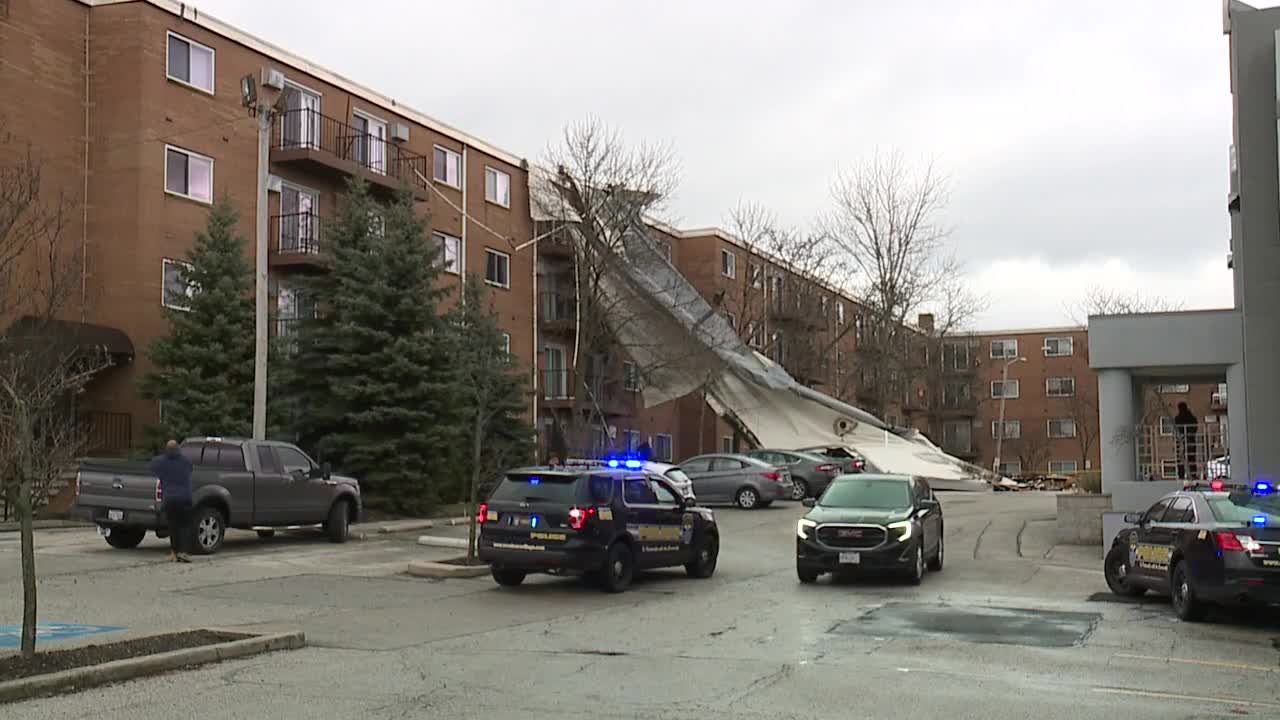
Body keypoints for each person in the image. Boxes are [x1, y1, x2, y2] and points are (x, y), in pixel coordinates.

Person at [150, 439, 194, 562]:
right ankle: (184, 552)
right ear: (178, 449)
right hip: (185, 498)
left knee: (173, 527)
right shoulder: (185, 461)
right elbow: (191, 468)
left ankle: (174, 553)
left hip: (170, 499)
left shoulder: (161, 462)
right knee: (184, 526)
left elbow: (152, 466)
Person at [1173, 402, 1200, 480]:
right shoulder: (1191, 417)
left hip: (1183, 440)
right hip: (1188, 440)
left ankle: (1182, 475)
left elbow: (1176, 428)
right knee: (1190, 458)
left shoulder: (1178, 418)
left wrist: (1182, 435)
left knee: (1182, 459)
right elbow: (1194, 427)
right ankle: (1192, 475)